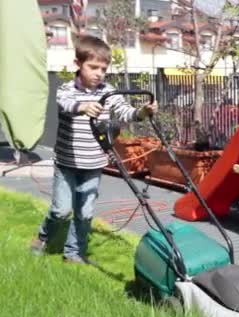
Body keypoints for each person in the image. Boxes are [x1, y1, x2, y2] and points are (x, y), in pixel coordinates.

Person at [30, 35, 157, 264]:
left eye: (103, 68)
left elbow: (125, 112)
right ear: (78, 64)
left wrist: (142, 113)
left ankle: (74, 253)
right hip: (66, 163)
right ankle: (43, 236)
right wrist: (84, 106)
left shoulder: (109, 92)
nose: (99, 73)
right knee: (61, 210)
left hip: (94, 163)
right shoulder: (66, 90)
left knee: (85, 213)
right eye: (93, 67)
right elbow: (66, 105)